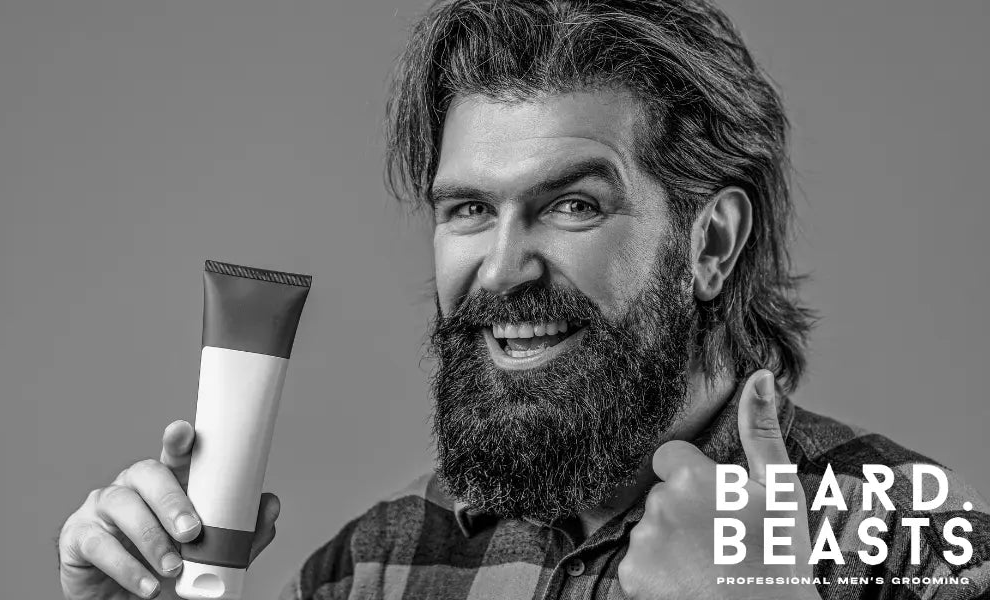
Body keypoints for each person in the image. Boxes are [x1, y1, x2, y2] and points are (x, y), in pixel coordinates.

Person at [57, 1, 990, 599]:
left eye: (573, 205)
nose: (503, 269)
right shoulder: (377, 567)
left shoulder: (910, 540)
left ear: (710, 243)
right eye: (468, 208)